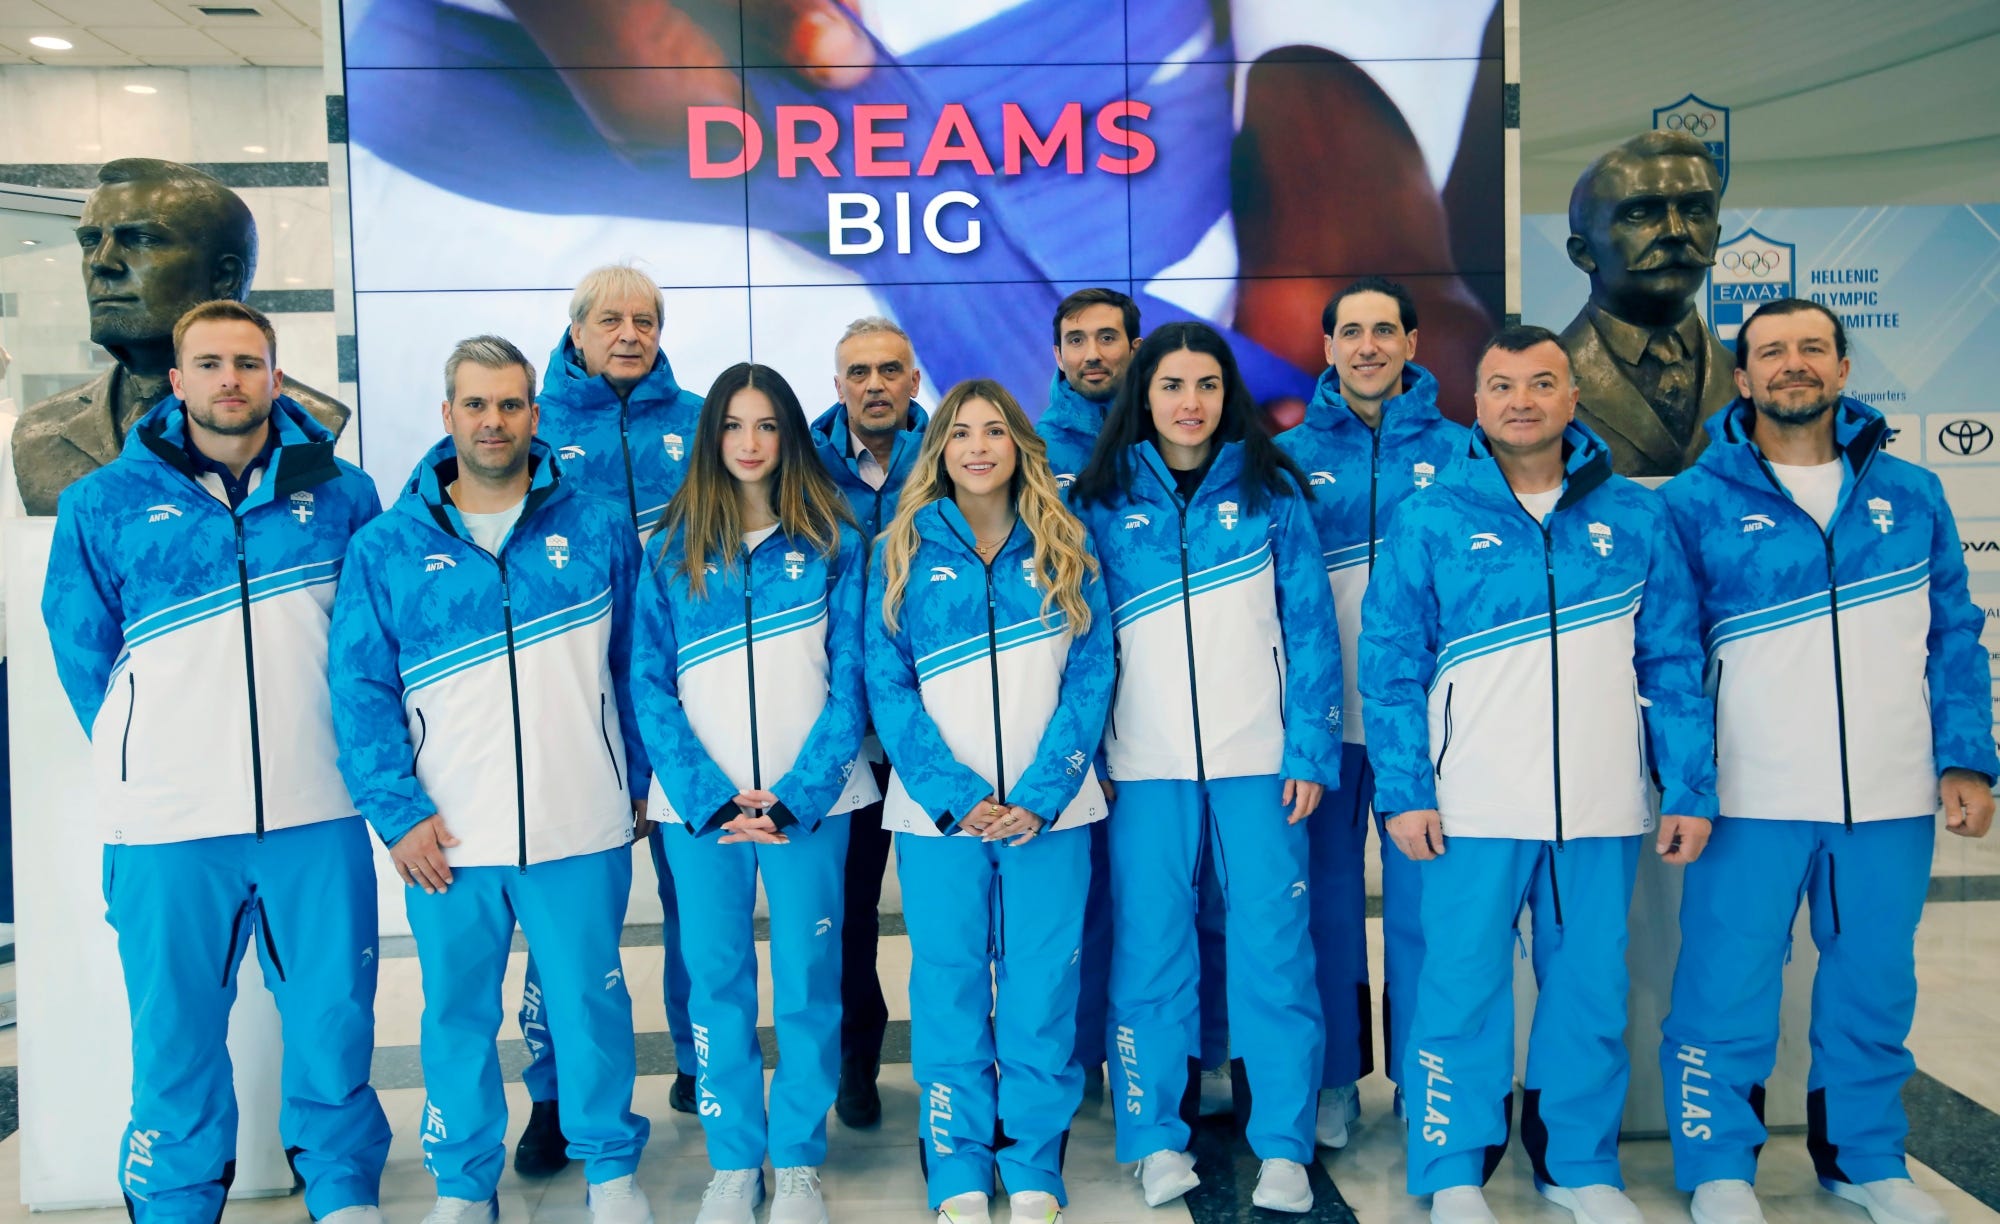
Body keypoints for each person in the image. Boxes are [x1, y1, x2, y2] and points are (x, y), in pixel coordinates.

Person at [43, 299, 391, 1224]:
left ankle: (343, 1189)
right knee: (175, 1034)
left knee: (333, 1018)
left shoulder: (345, 494)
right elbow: (82, 649)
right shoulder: (101, 503)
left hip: (317, 809)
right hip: (168, 823)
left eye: (247, 362)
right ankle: (173, 1199)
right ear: (177, 379)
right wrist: (152, 746)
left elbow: (371, 646)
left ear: (275, 375)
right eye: (209, 364)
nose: (229, 380)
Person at [1360, 325, 1716, 1224]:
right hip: (1471, 809)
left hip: (1598, 807)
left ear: (1572, 396)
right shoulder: (1431, 516)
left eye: (1542, 383)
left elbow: (1672, 660)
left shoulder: (1634, 516)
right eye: (1502, 385)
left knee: (1590, 991)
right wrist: (1404, 790)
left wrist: (1689, 785)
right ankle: (1452, 1170)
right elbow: (1391, 667)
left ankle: (1579, 1165)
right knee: (1459, 990)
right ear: (1476, 403)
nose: (1522, 400)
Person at [1656, 299, 1997, 1224]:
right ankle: (1718, 1167)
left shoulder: (1912, 492)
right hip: (1750, 796)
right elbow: (1671, 661)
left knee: (1873, 986)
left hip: (1889, 792)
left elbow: (1955, 635)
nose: (1793, 364)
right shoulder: (1692, 502)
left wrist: (1967, 759)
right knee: (1725, 986)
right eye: (1771, 352)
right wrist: (1688, 783)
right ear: (1742, 378)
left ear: (1844, 369)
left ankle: (1864, 1160)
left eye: (1813, 347)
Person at [328, 335, 653, 1224]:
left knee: (589, 1004)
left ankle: (610, 1173)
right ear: (447, 415)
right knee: (456, 1014)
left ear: (535, 415)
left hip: (578, 821)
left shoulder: (598, 528)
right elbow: (358, 691)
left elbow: (637, 665)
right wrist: (398, 813)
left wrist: (635, 778)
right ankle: (465, 1185)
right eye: (475, 404)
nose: (493, 421)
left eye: (510, 404)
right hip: (448, 832)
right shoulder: (387, 547)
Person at [1069, 320, 1342, 1215]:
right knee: (1149, 952)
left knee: (1275, 949)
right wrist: (1090, 755)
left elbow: (1311, 630)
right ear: (1142, 397)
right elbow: (1083, 645)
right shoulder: (1099, 502)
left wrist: (1309, 747)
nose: (1190, 403)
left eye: (1207, 385)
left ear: (1229, 396)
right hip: (1143, 767)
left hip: (1259, 763)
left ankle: (1285, 1146)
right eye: (1172, 386)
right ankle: (1154, 1139)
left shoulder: (1272, 493)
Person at [868, 378, 1115, 1224]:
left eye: (995, 431)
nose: (978, 447)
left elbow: (1093, 676)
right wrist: (956, 796)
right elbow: (887, 686)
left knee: (1042, 989)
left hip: (1053, 815)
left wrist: (1043, 794)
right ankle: (957, 1164)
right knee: (950, 989)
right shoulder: (898, 550)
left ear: (1020, 446)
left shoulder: (1066, 542)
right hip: (939, 820)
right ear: (939, 449)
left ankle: (1035, 1159)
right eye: (961, 432)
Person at [635, 362, 874, 1224]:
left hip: (812, 806)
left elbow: (853, 680)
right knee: (717, 983)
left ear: (790, 437)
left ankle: (798, 1159)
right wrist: (710, 797)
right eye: (733, 426)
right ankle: (734, 1161)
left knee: (810, 981)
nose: (749, 442)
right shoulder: (670, 548)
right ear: (711, 438)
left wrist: (797, 794)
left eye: (767, 425)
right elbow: (647, 683)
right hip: (702, 814)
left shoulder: (835, 542)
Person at [512, 261, 706, 1174]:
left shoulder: (701, 423)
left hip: (685, 706)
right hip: (570, 713)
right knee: (566, 926)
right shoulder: (532, 426)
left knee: (695, 905)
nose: (630, 335)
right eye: (611, 320)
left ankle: (701, 1060)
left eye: (645, 320)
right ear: (577, 330)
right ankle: (554, 1094)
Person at [1274, 276, 1468, 1146]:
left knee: (1428, 912)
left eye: (1384, 330)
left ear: (1412, 344)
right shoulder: (1285, 459)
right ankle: (1333, 1079)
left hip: (1428, 733)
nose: (1367, 347)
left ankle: (1429, 1078)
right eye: (1350, 332)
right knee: (1323, 911)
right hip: (1325, 731)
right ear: (1327, 349)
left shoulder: (1466, 454)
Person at [16, 158, 348, 514]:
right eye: (90, 240)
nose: (102, 262)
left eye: (141, 239)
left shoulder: (317, 424)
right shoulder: (40, 431)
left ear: (224, 277)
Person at [807, 315, 930, 1128]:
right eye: (859, 372)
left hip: (932, 726)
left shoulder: (956, 451)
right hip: (841, 732)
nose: (875, 385)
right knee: (847, 911)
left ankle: (965, 1065)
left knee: (947, 910)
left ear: (914, 380)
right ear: (839, 384)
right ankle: (856, 1058)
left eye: (890, 370)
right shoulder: (803, 467)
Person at [1559, 130, 1733, 477]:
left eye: (1695, 210)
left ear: (1715, 240)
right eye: (1640, 213)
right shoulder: (1545, 384)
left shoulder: (1750, 379)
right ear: (1583, 252)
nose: (1676, 231)